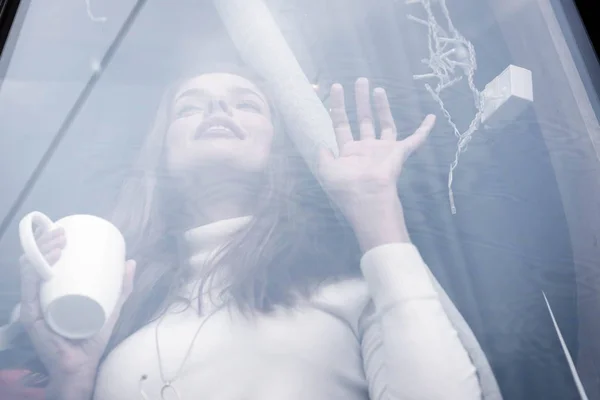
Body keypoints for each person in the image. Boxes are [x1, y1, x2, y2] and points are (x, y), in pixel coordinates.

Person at [15, 66, 501, 399]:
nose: (217, 112)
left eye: (246, 104)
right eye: (189, 108)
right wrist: (73, 380)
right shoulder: (118, 312)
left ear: (281, 147)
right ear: (160, 150)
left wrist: (375, 207)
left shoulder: (350, 294)